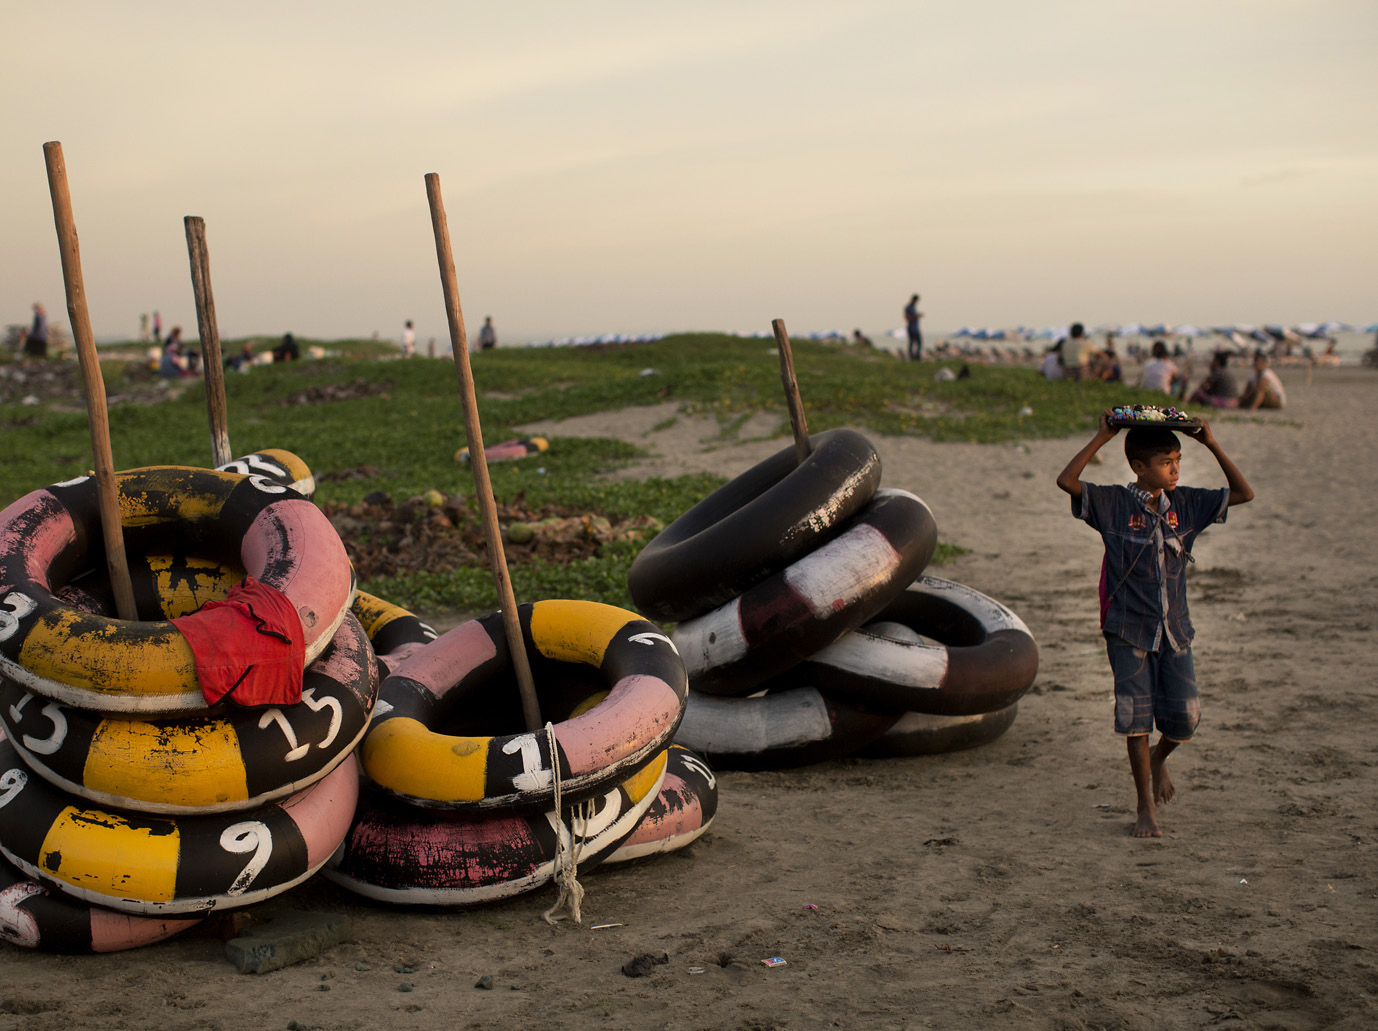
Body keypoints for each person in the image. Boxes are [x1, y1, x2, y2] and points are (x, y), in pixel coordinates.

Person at [1056, 412, 1253, 837]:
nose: (1176, 469)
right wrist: (1103, 436)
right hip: (1129, 632)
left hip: (1176, 631)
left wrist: (1211, 444)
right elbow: (1067, 482)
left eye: (1179, 459)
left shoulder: (1187, 505)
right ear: (1139, 468)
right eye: (1167, 462)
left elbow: (1243, 492)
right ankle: (1145, 805)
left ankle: (1160, 758)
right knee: (1136, 720)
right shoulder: (1112, 505)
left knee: (1185, 720)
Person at [903, 294, 923, 360]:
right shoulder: (908, 307)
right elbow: (907, 317)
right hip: (911, 328)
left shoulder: (914, 307)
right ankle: (912, 357)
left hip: (916, 328)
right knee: (912, 343)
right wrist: (916, 316)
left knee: (918, 343)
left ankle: (917, 356)